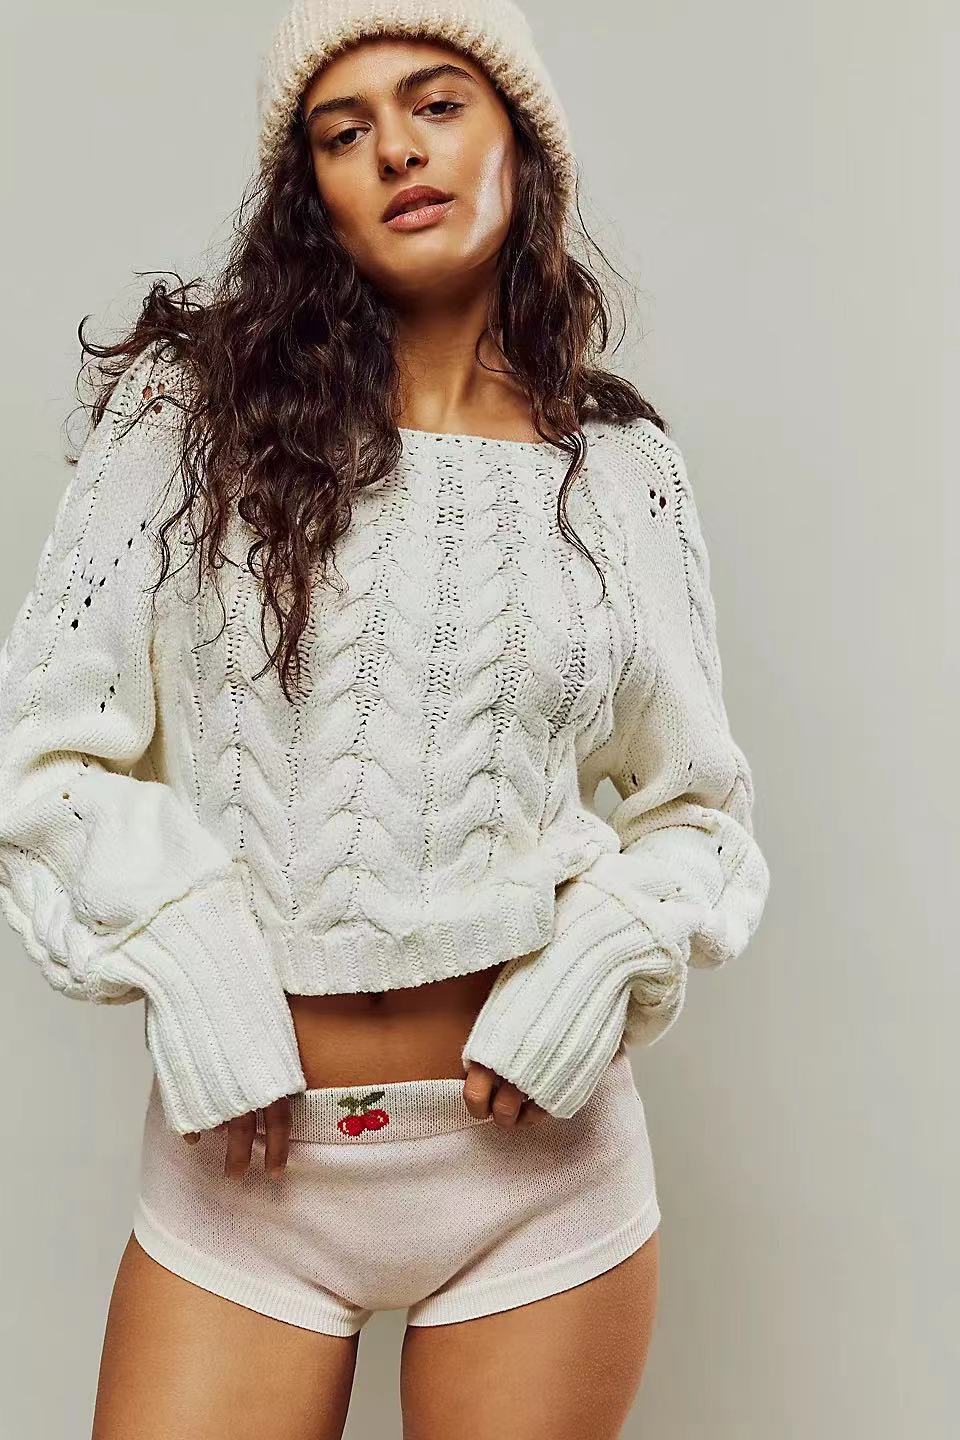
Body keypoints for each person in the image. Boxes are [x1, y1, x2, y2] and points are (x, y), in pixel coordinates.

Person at [0, 0, 771, 1435]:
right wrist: (200, 972)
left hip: (540, 1184)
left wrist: (597, 957)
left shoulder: (616, 467)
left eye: (437, 104)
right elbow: (44, 761)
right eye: (342, 133)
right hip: (248, 1181)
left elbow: (698, 814)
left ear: (522, 141)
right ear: (311, 193)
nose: (397, 151)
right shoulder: (190, 419)